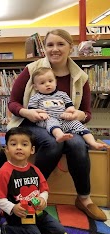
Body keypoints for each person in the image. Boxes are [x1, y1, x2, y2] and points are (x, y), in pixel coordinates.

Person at [7, 29, 107, 221]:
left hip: (66, 123)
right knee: (53, 143)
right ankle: (30, 194)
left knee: (78, 144)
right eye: (50, 45)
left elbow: (86, 113)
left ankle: (84, 198)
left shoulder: (80, 77)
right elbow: (13, 102)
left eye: (61, 44)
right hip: (33, 122)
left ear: (71, 47)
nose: (55, 49)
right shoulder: (32, 69)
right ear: (44, 48)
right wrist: (27, 112)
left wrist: (79, 114)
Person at [0, 127, 65, 234]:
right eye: (14, 144)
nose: (19, 147)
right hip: (18, 215)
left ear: (32, 149)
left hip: (37, 212)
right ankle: (3, 229)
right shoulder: (4, 172)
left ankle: (32, 228)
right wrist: (13, 207)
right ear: (7, 149)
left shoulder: (34, 169)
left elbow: (44, 189)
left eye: (24, 144)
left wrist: (42, 199)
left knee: (59, 231)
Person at [28, 67, 107, 149]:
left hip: (63, 119)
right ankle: (59, 135)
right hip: (47, 120)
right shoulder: (36, 97)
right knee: (52, 121)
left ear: (55, 82)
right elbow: (32, 111)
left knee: (77, 124)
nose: (47, 84)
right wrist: (40, 114)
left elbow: (70, 107)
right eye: (42, 83)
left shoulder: (62, 94)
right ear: (36, 87)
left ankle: (92, 142)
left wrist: (68, 113)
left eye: (50, 81)